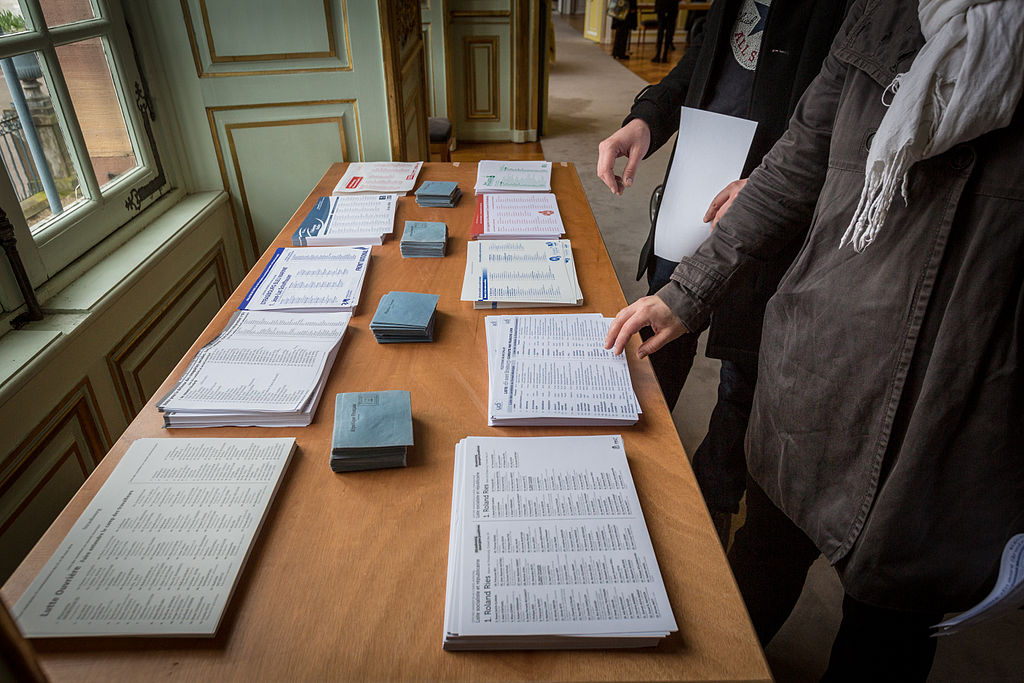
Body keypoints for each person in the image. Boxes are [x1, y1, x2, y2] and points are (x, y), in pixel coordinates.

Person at [605, 0, 1024, 677]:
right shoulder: (883, 13)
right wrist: (684, 293)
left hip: (957, 401)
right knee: (764, 555)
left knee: (887, 628)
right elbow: (796, 161)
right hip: (822, 354)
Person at [596, 0, 849, 541]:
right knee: (654, 336)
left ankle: (710, 510)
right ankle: (627, 475)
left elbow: (842, 115)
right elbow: (700, 69)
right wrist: (645, 119)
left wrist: (768, 182)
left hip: (778, 205)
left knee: (745, 369)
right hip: (696, 186)